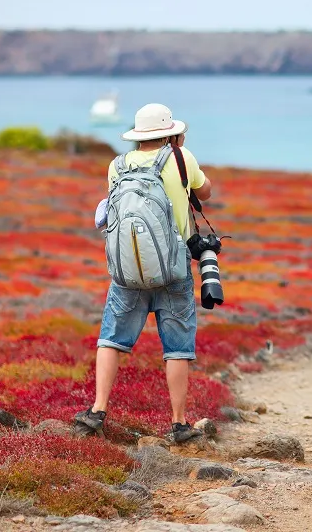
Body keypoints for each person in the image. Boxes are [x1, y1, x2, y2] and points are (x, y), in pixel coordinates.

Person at [74, 103, 214, 444]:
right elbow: (205, 192)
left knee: (111, 339)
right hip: (173, 269)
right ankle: (179, 423)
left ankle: (97, 411)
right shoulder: (181, 158)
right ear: (171, 133)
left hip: (127, 271)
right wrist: (181, 156)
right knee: (177, 347)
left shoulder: (117, 165)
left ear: (138, 136)